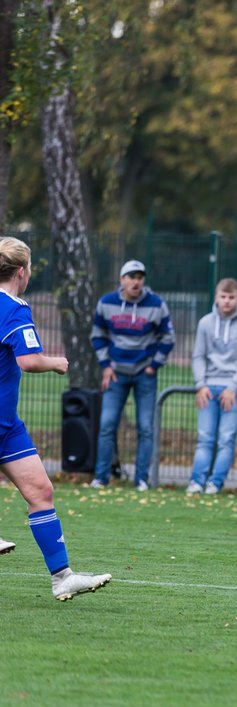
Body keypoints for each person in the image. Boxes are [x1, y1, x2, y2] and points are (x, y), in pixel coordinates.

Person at [0, 237, 112, 599]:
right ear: (22, 271)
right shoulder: (14, 308)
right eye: (30, 267)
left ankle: (62, 577)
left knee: (40, 491)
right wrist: (57, 363)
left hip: (7, 424)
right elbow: (29, 360)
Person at [90, 259, 174, 490]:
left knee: (146, 427)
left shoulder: (156, 304)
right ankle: (101, 477)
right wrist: (106, 365)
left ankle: (142, 480)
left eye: (140, 277)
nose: (136, 281)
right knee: (107, 424)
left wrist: (153, 366)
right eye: (132, 277)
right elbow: (98, 336)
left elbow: (168, 338)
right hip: (116, 373)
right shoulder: (106, 303)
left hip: (144, 374)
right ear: (122, 280)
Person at [187, 278, 237, 495]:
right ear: (216, 297)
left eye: (231, 297)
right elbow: (198, 356)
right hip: (208, 387)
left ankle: (215, 483)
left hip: (234, 390)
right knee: (205, 437)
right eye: (223, 297)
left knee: (226, 439)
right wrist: (200, 385)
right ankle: (196, 482)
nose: (227, 301)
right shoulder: (205, 323)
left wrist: (233, 387)